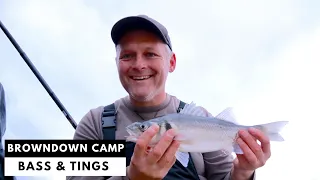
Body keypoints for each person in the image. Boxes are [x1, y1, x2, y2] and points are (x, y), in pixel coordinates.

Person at [68, 15, 272, 180]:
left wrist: (244, 172)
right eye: (127, 55)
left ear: (171, 62)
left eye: (150, 54)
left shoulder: (202, 118)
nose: (139, 65)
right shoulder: (95, 123)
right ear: (117, 63)